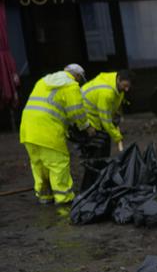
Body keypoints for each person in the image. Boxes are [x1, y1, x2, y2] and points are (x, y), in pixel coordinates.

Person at [20, 63, 88, 205]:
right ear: (77, 76)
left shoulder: (44, 80)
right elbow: (76, 112)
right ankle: (64, 198)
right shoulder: (71, 86)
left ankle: (45, 196)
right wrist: (86, 126)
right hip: (47, 131)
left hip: (27, 130)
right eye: (80, 80)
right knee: (58, 163)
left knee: (39, 164)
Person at [81, 69, 133, 156]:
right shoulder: (106, 93)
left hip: (94, 110)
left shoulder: (115, 82)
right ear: (119, 79)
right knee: (95, 145)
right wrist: (117, 136)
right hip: (87, 114)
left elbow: (114, 102)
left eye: (129, 87)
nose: (127, 89)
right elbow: (105, 119)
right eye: (125, 86)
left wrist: (114, 113)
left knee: (104, 140)